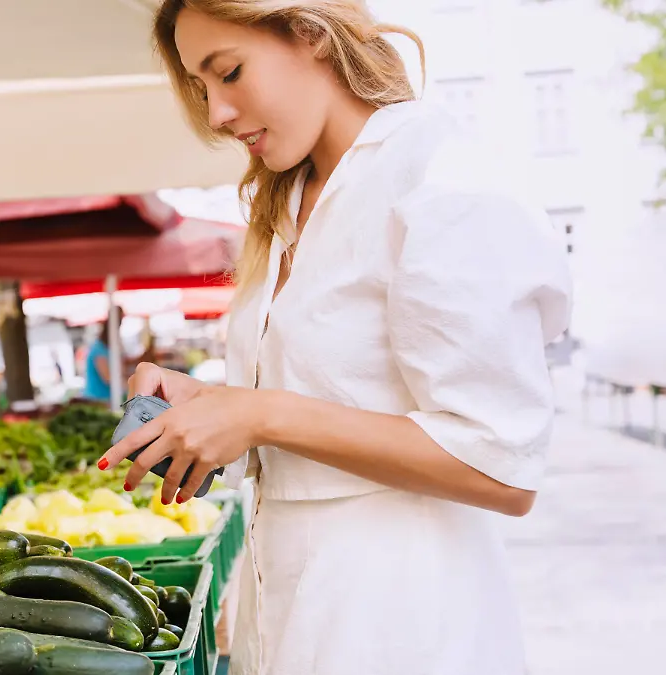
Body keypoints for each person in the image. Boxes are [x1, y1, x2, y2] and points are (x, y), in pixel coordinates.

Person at [97, 3, 573, 674]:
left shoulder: (439, 181)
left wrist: (262, 413)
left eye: (229, 73)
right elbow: (326, 403)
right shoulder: (287, 201)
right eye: (202, 89)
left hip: (407, 631)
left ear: (312, 35)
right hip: (293, 619)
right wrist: (211, 405)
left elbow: (500, 463)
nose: (216, 115)